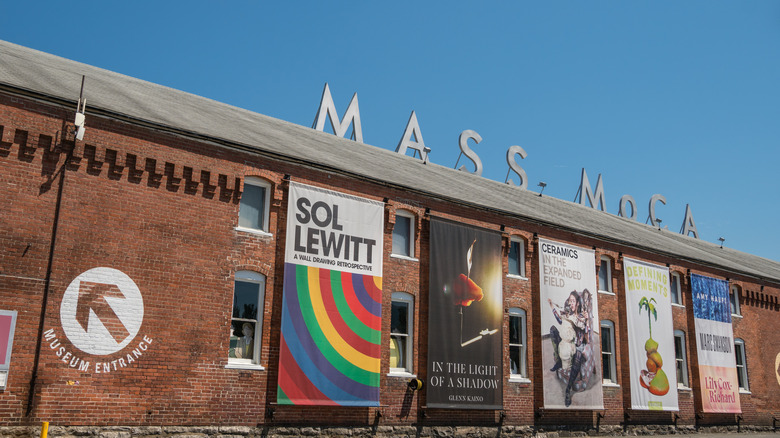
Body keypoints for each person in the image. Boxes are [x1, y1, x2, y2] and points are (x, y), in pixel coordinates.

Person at [548, 291, 590, 407]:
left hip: (576, 346)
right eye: (570, 301)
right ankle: (559, 360)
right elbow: (559, 320)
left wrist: (587, 321)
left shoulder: (581, 317)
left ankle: (567, 390)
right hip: (564, 343)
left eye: (573, 301)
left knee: (577, 356)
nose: (571, 303)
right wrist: (552, 306)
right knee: (552, 330)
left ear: (577, 304)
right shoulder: (567, 315)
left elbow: (587, 336)